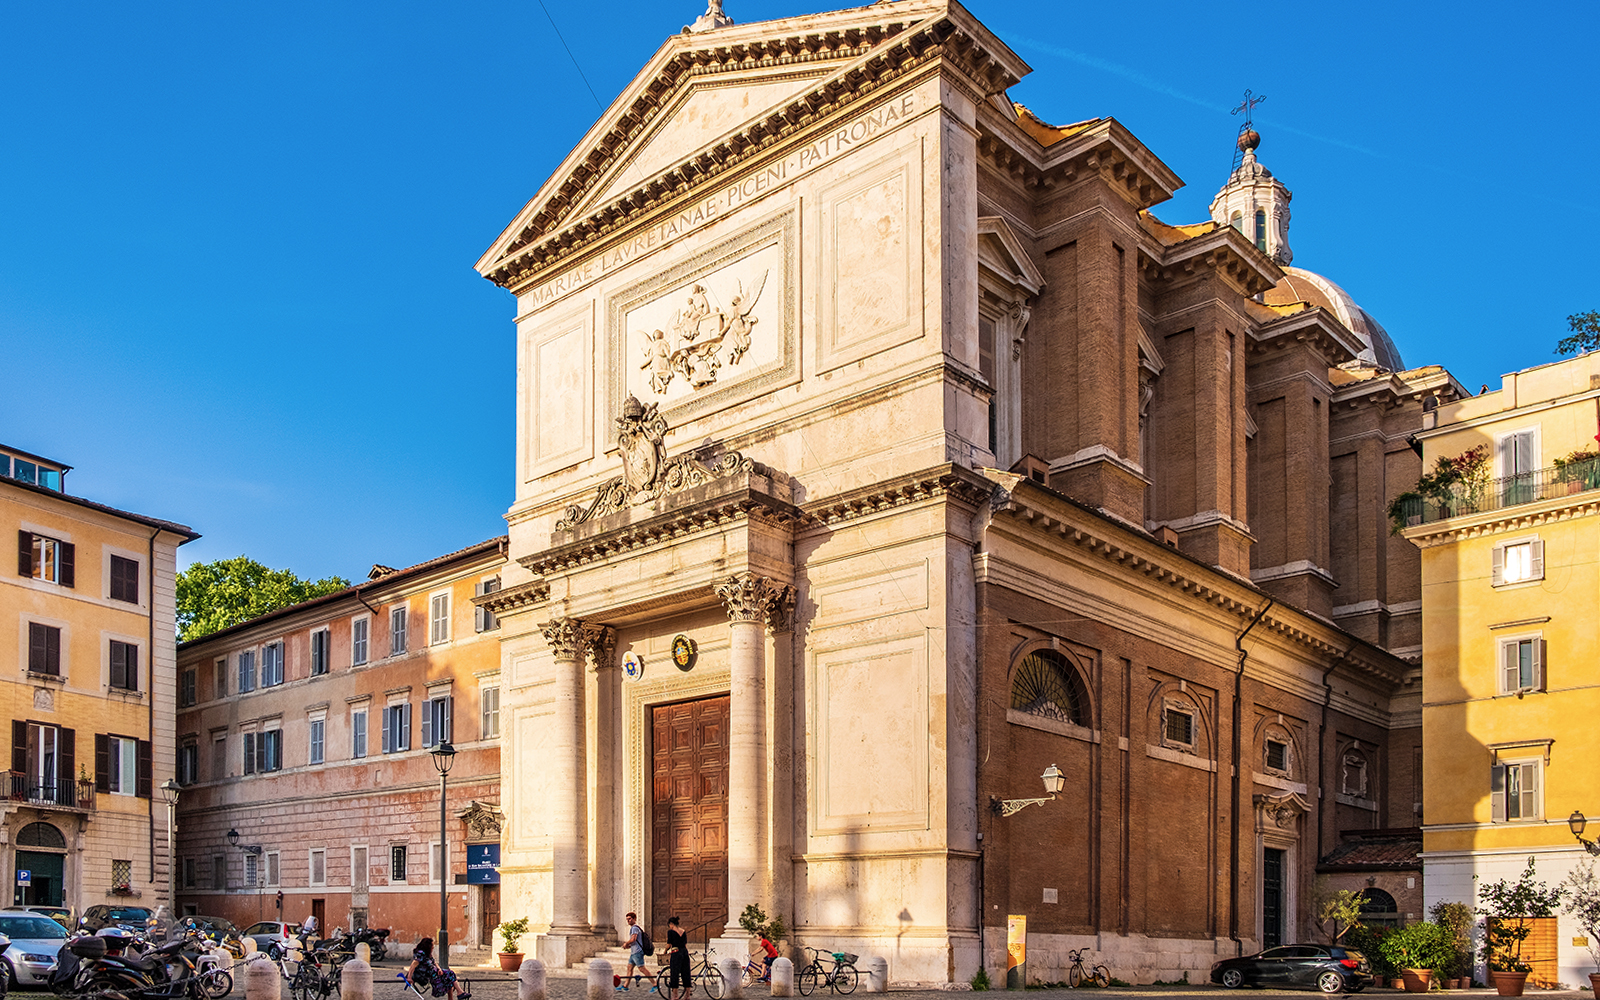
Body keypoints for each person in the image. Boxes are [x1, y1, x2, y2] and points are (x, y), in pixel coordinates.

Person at [618, 912, 658, 992]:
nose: (628, 921)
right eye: (627, 919)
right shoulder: (634, 928)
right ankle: (625, 986)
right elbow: (636, 942)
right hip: (634, 952)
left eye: (630, 919)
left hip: (637, 952)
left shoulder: (634, 928)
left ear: (634, 919)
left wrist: (626, 943)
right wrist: (629, 946)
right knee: (629, 968)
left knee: (642, 968)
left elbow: (633, 939)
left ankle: (655, 984)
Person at [665, 916, 692, 1000]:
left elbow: (669, 944)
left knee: (675, 974)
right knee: (686, 974)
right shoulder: (683, 931)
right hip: (684, 952)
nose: (670, 926)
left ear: (671, 924)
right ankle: (687, 996)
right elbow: (685, 944)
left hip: (676, 953)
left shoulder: (671, 932)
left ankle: (675, 996)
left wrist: (665, 951)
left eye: (669, 925)